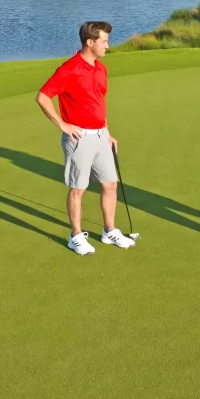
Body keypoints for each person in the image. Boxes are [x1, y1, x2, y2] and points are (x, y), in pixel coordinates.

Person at [36, 21, 136, 255]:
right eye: (104, 41)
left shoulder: (101, 68)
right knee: (78, 189)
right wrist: (62, 124)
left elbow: (98, 103)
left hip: (101, 136)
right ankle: (76, 236)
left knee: (110, 184)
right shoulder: (69, 69)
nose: (107, 46)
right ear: (89, 42)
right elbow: (42, 96)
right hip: (79, 138)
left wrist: (107, 132)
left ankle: (109, 231)